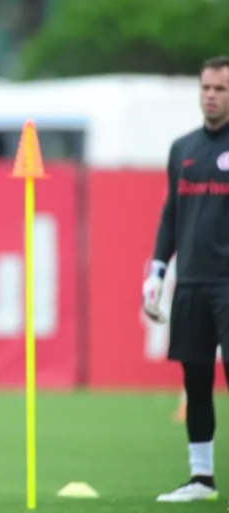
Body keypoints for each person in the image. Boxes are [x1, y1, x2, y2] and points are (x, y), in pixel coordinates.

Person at [143, 55, 229, 504]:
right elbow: (171, 216)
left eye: (221, 89)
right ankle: (201, 478)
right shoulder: (183, 149)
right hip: (191, 283)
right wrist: (157, 269)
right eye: (207, 88)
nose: (212, 96)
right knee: (195, 380)